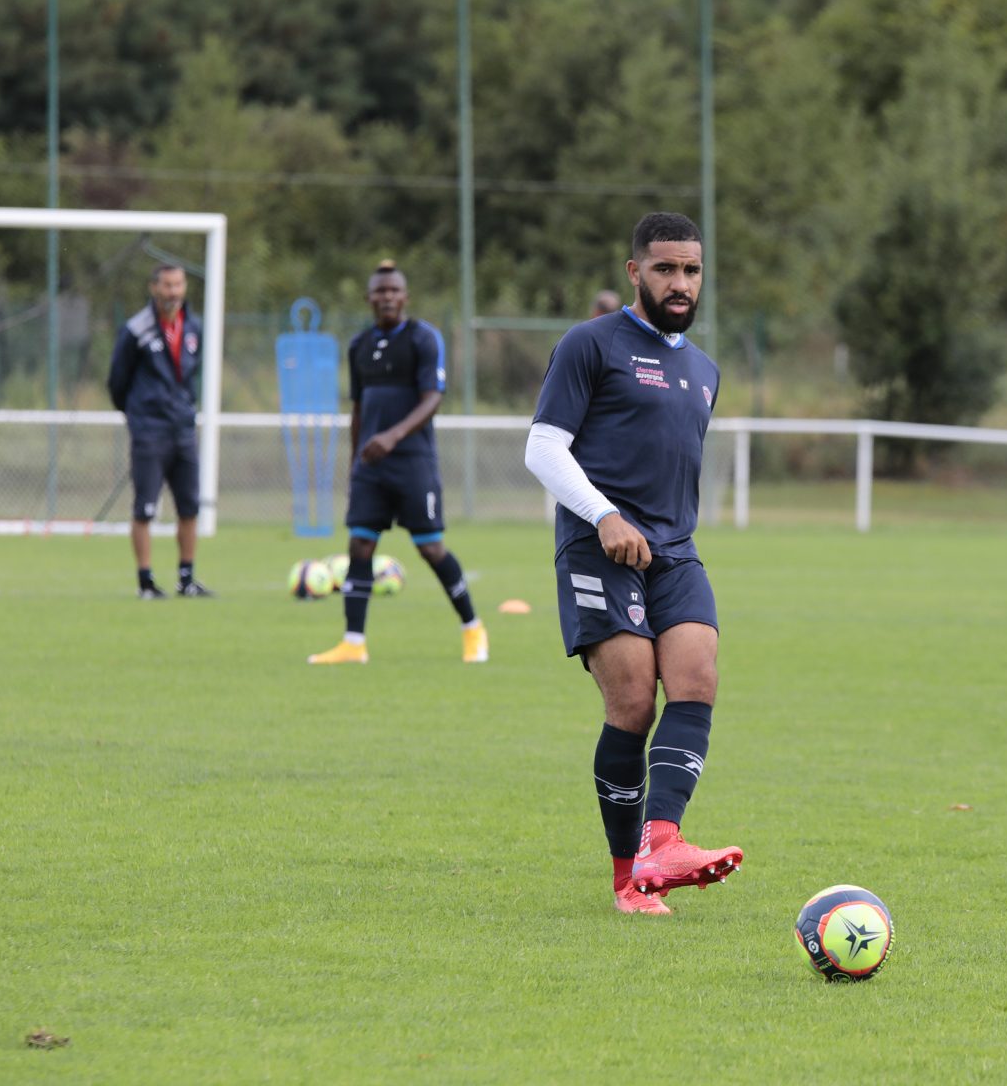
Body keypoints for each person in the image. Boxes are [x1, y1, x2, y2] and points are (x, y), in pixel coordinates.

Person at [524, 212, 743, 916]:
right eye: (666, 269)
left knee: (697, 678)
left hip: (675, 551)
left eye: (692, 270)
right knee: (632, 701)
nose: (680, 283)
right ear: (635, 272)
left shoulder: (704, 370)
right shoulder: (590, 344)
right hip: (599, 544)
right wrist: (604, 515)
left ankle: (663, 842)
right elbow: (543, 448)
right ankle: (628, 879)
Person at [309, 261, 488, 665]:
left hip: (412, 460)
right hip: (371, 466)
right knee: (359, 544)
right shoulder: (359, 346)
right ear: (370, 298)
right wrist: (356, 462)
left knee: (430, 548)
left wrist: (392, 436)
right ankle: (353, 643)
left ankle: (473, 628)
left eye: (393, 291)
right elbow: (358, 407)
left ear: (405, 298)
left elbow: (433, 399)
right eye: (379, 291)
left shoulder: (424, 338)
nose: (386, 297)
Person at [107, 262, 214, 599]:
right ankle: (146, 582)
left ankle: (187, 579)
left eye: (178, 284)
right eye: (167, 285)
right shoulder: (137, 329)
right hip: (150, 432)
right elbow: (117, 381)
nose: (173, 292)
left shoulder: (194, 327)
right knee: (145, 509)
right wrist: (139, 417)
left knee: (190, 508)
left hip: (183, 431)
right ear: (154, 288)